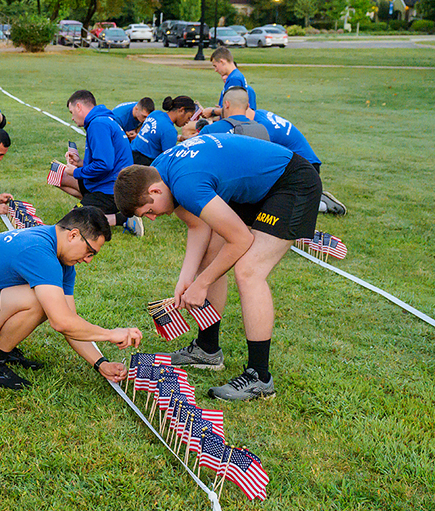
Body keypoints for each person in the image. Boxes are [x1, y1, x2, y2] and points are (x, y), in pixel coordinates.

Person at [114, 134, 323, 401]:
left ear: (154, 191)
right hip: (258, 186)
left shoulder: (184, 183)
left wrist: (201, 284)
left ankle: (260, 377)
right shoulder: (160, 171)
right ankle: (207, 349)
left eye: (149, 212)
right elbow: (198, 225)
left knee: (249, 271)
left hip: (292, 182)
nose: (154, 218)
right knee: (210, 255)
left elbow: (241, 240)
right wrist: (186, 278)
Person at [0, 207, 143, 389]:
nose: (88, 260)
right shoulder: (39, 251)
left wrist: (101, 363)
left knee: (51, 302)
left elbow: (71, 320)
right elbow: (61, 321)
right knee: (39, 300)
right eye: (90, 252)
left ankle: (1, 348)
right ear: (73, 235)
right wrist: (109, 334)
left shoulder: (60, 257)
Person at [203, 90, 346, 215]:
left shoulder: (261, 129)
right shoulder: (260, 115)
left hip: (304, 170)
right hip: (305, 163)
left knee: (270, 204)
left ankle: (320, 203)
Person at [53, 90, 140, 235]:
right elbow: (107, 159)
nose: (72, 118)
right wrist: (80, 162)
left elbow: (104, 164)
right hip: (105, 182)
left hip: (111, 190)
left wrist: (75, 172)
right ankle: (92, 206)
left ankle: (122, 218)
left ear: (79, 107)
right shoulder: (102, 120)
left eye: (71, 112)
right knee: (57, 175)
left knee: (72, 223)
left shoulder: (98, 124)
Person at [130, 96, 196, 165]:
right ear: (182, 110)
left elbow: (156, 135)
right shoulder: (170, 130)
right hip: (144, 165)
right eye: (189, 117)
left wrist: (180, 138)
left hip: (130, 155)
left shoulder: (155, 114)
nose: (188, 121)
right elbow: (167, 161)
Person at [203, 47, 257, 118]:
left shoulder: (234, 79)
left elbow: (233, 109)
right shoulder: (237, 75)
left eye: (215, 66)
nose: (215, 70)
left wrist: (212, 111)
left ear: (222, 62)